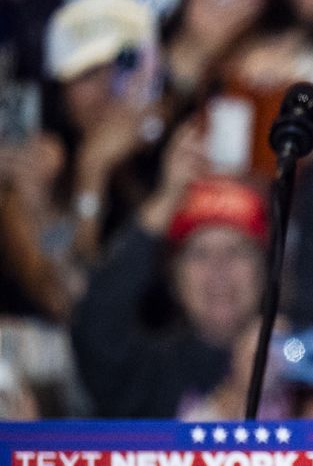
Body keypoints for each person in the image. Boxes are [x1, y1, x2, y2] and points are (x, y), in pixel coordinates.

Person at [72, 125, 269, 417]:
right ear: (174, 278)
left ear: (264, 270)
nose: (219, 270)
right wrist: (168, 196)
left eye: (236, 251)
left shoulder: (299, 360)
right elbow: (97, 322)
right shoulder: (148, 376)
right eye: (200, 254)